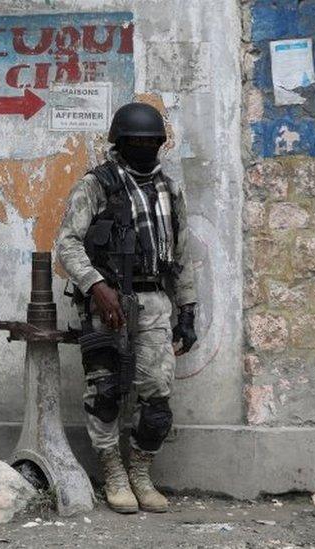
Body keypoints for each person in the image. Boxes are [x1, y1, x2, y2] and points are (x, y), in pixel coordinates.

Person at [55, 102, 198, 514]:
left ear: (159, 144)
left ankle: (140, 473)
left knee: (157, 398)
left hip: (154, 302)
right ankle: (113, 473)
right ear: (119, 142)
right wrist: (97, 285)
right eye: (134, 141)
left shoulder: (169, 190)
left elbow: (183, 255)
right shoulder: (96, 184)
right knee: (105, 392)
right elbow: (67, 242)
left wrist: (186, 311)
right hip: (108, 304)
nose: (142, 146)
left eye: (149, 141)